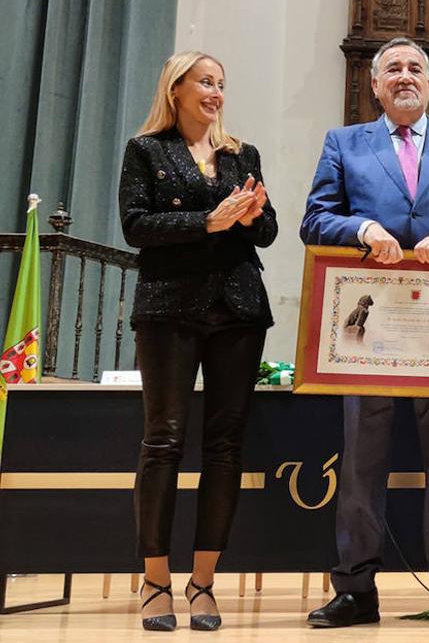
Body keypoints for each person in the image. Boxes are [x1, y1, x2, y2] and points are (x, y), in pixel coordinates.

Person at [300, 37, 429, 628]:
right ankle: (355, 590)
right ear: (374, 85)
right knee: (362, 460)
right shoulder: (344, 143)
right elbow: (313, 220)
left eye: (414, 68)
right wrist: (364, 227)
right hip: (365, 330)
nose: (404, 76)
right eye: (392, 68)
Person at [119, 51, 277, 632]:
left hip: (238, 309)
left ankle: (203, 583)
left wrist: (251, 214)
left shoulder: (242, 155)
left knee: (225, 446)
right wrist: (208, 221)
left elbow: (268, 230)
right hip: (168, 308)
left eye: (221, 84)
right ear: (177, 88)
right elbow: (134, 225)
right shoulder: (146, 151)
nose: (215, 92)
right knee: (163, 440)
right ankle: (155, 581)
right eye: (205, 82)